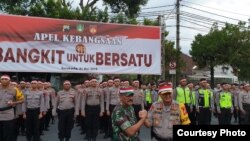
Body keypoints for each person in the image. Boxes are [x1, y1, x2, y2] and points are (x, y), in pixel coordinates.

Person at [0, 75, 23, 141]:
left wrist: (14, 103)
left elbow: (22, 99)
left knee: (8, 134)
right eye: (2, 79)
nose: (4, 80)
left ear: (9, 81)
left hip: (8, 114)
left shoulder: (15, 89)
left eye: (6, 79)